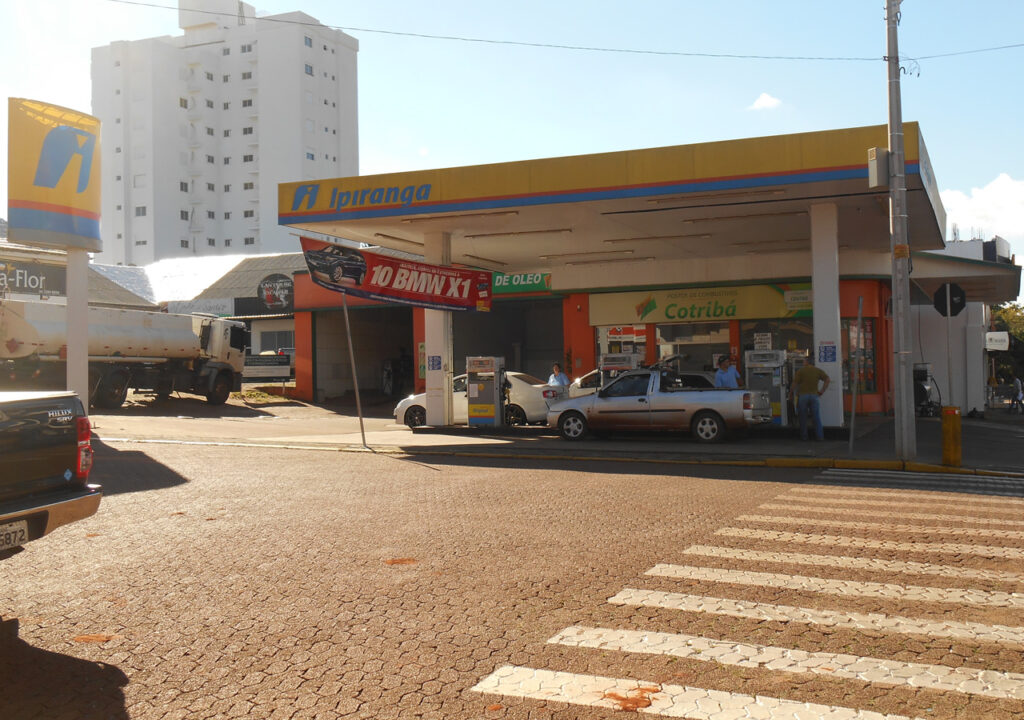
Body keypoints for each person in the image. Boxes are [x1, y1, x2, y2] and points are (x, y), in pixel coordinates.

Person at [790, 355, 831, 440]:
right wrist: (822, 391)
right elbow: (827, 379)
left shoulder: (801, 371)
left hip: (803, 396)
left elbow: (794, 383)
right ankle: (820, 437)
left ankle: (804, 437)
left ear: (807, 362)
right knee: (816, 417)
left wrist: (790, 393)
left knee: (802, 417)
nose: (803, 363)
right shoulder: (818, 371)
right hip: (814, 396)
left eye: (804, 361)